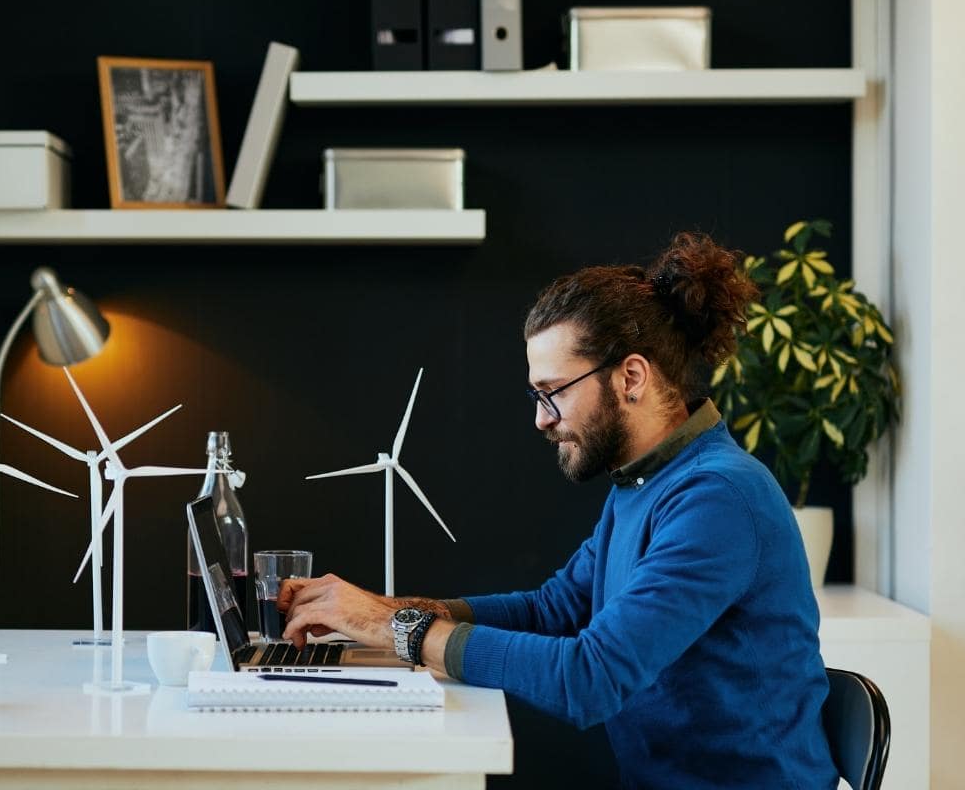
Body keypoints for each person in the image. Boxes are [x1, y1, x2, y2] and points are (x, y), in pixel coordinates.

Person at [279, 233, 838, 788]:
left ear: (631, 377)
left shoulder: (718, 498)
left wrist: (389, 626)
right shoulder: (645, 483)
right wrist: (374, 610)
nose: (542, 420)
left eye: (554, 392)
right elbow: (552, 611)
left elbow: (589, 679)